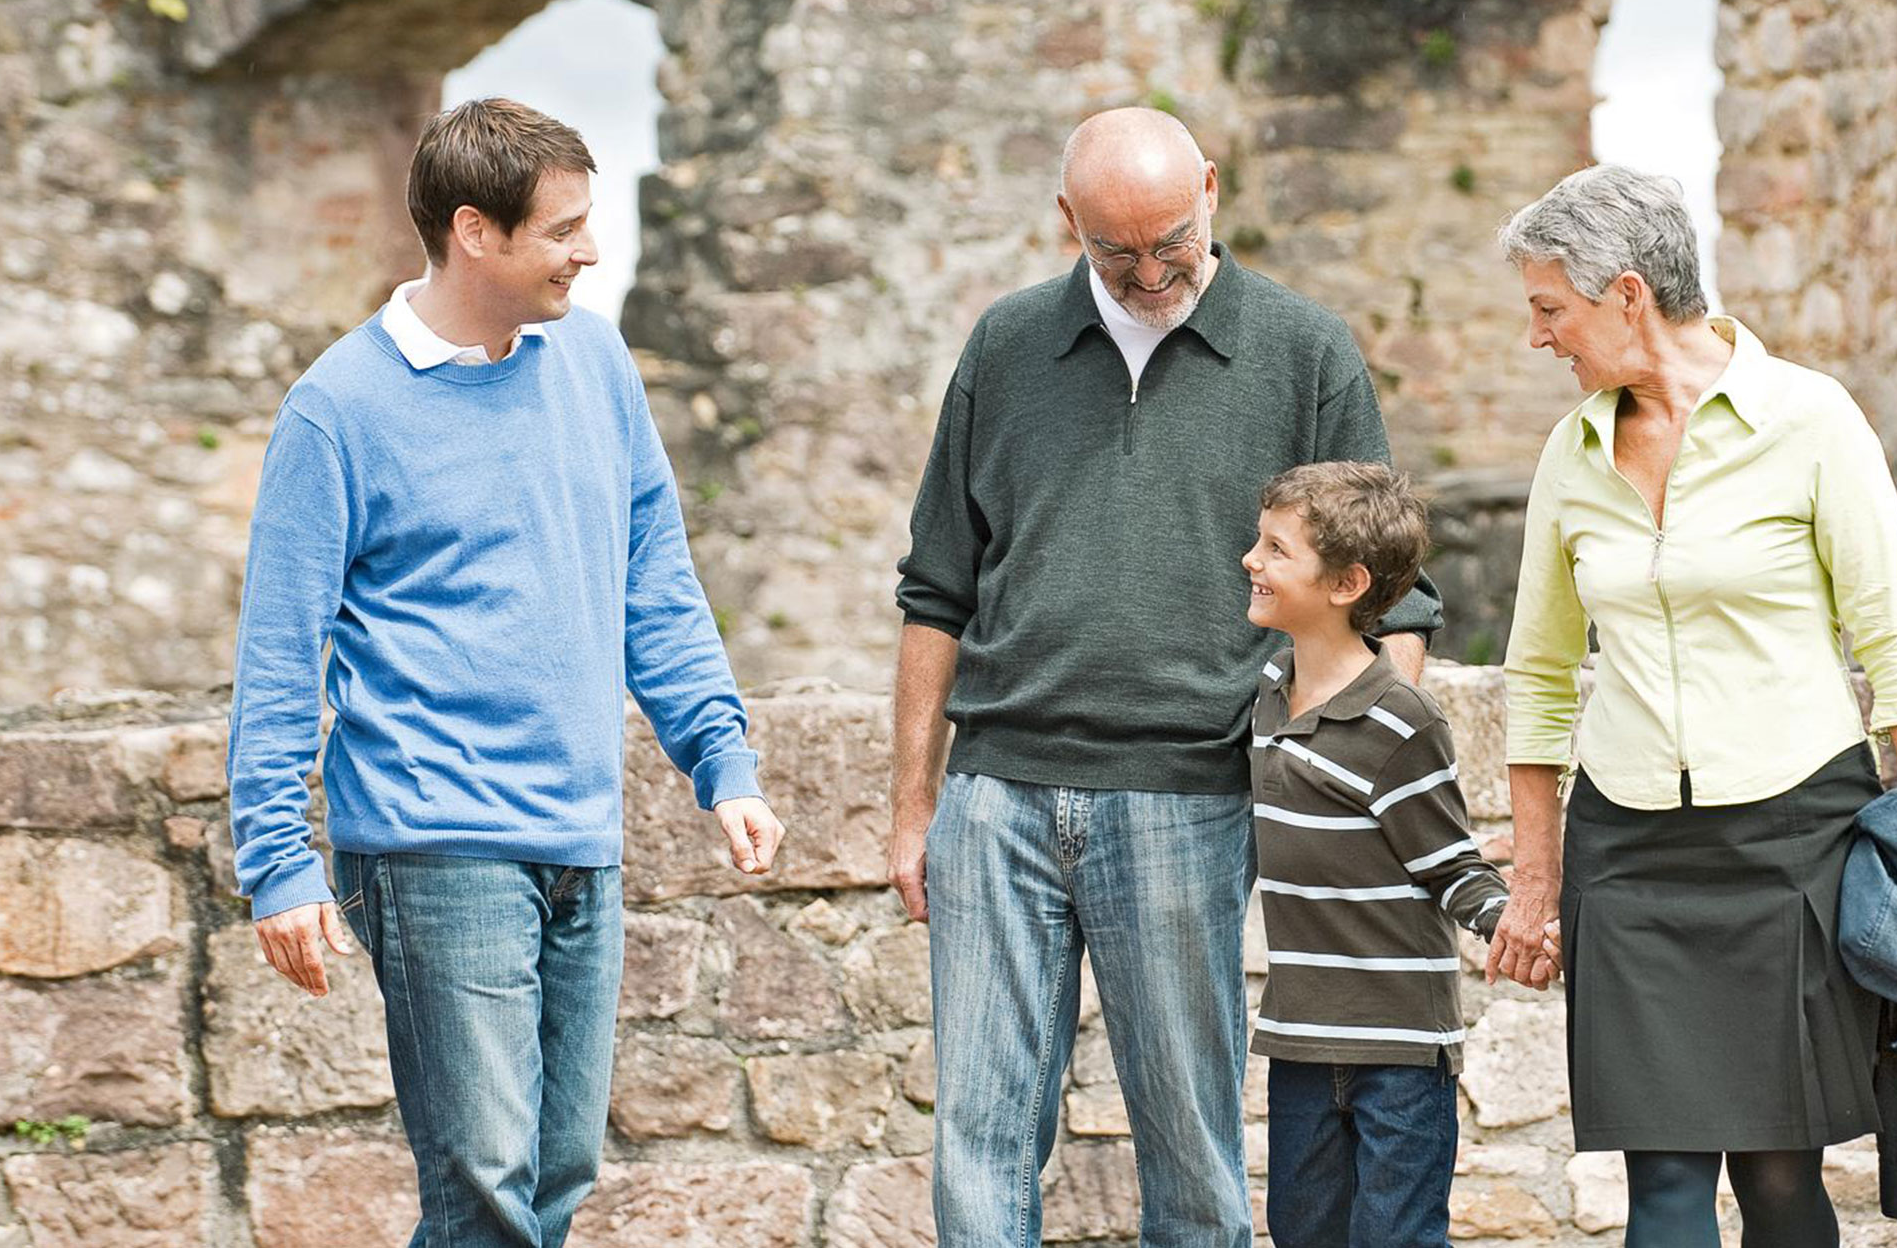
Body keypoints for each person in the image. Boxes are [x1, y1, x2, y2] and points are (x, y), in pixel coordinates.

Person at [227, 97, 784, 1248]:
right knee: (485, 1182)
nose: (590, 250)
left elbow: (655, 580)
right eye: (565, 229)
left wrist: (719, 757)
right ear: (475, 232)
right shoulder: (336, 411)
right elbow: (281, 651)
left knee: (558, 1171)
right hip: (436, 845)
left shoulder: (593, 355)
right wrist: (277, 861)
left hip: (580, 832)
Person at [890, 106, 1442, 1246]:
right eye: (1115, 250)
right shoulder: (1003, 346)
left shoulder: (1305, 348)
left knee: (1191, 1150)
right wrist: (914, 808)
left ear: (1209, 188)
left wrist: (1364, 802)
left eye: (1170, 240)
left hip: (1194, 797)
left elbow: (1388, 602)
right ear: (1067, 224)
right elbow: (935, 587)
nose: (1148, 272)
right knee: (979, 1141)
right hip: (996, 796)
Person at [1484, 164, 1897, 1248]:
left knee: (1782, 1180)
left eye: (1550, 309)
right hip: (1632, 856)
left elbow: (1892, 640)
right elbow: (1540, 671)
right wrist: (1539, 876)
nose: (1538, 337)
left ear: (1627, 295)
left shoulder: (1810, 419)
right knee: (1661, 1186)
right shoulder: (1573, 449)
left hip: (1792, 843)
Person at [1240, 461, 1529, 1248]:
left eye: (1275, 549)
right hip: (1300, 1040)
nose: (1250, 561)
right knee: (1302, 1234)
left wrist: (1514, 922)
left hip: (1400, 1051)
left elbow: (1449, 866)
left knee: (1396, 1238)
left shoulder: (1400, 723)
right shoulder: (1266, 692)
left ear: (1346, 585)